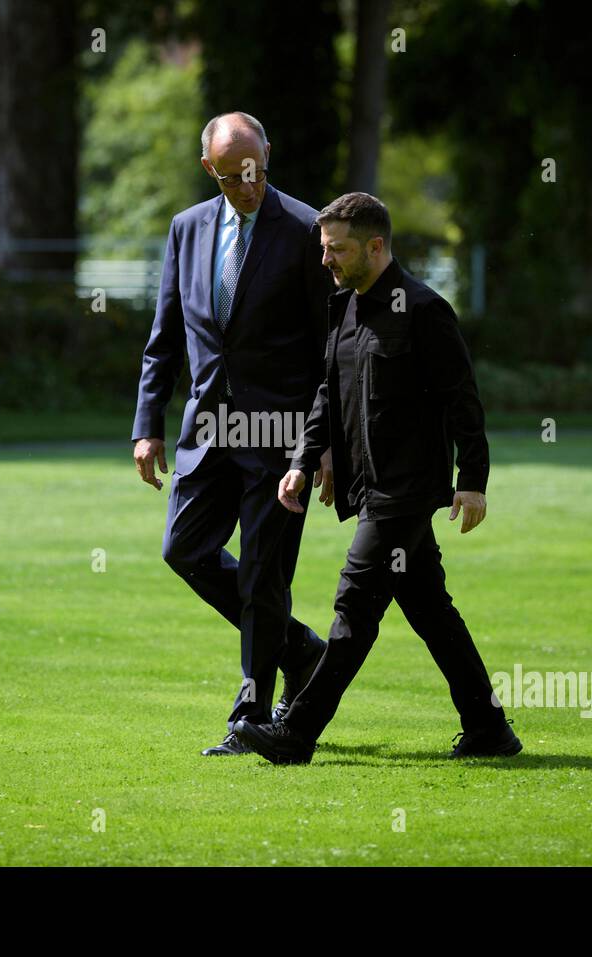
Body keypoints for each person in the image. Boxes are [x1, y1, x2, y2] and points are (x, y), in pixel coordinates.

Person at [233, 192, 522, 765]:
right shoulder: (342, 308)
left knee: (354, 604)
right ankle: (489, 728)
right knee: (430, 609)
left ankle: (296, 735)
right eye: (323, 248)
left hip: (406, 491)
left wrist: (473, 479)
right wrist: (301, 460)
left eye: (336, 250)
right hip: (369, 487)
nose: (326, 261)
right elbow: (327, 394)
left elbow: (463, 400)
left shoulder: (424, 311)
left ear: (375, 245)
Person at [131, 112, 335, 755]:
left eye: (255, 172)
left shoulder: (307, 230)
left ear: (267, 156)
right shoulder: (186, 229)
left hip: (281, 435)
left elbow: (332, 349)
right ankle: (301, 650)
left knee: (263, 577)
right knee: (182, 550)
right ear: (209, 170)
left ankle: (251, 714)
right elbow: (165, 337)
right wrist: (148, 425)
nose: (247, 186)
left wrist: (323, 441)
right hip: (207, 429)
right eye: (231, 176)